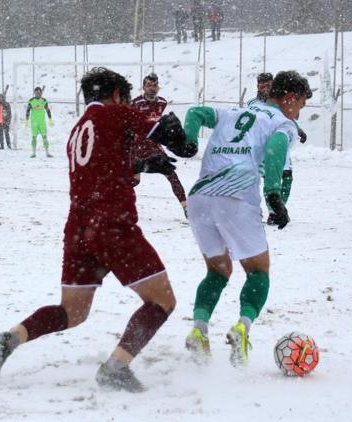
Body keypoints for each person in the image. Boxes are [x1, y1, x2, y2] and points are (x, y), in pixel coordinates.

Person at [0, 67, 195, 393]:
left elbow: (105, 165)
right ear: (117, 96)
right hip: (113, 226)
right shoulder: (117, 114)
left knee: (72, 311)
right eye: (124, 98)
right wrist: (180, 137)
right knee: (162, 301)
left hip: (80, 228)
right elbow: (168, 135)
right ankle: (116, 367)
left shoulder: (78, 129)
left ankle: (8, 340)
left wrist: (142, 165)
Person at [182, 71, 311, 367]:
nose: (299, 111)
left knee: (218, 271)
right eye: (301, 104)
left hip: (200, 198)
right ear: (289, 98)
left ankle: (199, 331)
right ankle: (242, 328)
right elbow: (276, 149)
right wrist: (274, 194)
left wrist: (189, 141)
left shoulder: (235, 111)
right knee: (258, 271)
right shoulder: (282, 122)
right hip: (236, 197)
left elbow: (196, 112)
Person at [248, 72, 308, 225]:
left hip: (280, 142)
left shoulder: (280, 102)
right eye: (261, 86)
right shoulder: (252, 104)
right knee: (268, 179)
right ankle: (272, 211)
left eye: (267, 85)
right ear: (257, 87)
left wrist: (298, 130)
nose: (264, 88)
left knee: (287, 177)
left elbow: (287, 118)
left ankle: (275, 210)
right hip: (264, 146)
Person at [131, 73, 188, 218]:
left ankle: (186, 207)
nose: (152, 88)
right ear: (143, 87)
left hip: (154, 146)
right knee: (133, 181)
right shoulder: (135, 103)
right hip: (137, 146)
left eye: (154, 85)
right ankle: (108, 203)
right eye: (149, 85)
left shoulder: (162, 102)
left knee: (171, 174)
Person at [25, 87, 53, 158]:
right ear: (34, 93)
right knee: (34, 137)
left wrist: (50, 119)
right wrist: (27, 120)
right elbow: (28, 110)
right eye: (36, 92)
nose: (38, 94)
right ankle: (33, 153)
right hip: (34, 122)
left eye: (39, 92)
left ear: (41, 93)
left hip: (42, 122)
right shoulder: (31, 100)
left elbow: (47, 110)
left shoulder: (44, 100)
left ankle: (47, 152)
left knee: (44, 137)